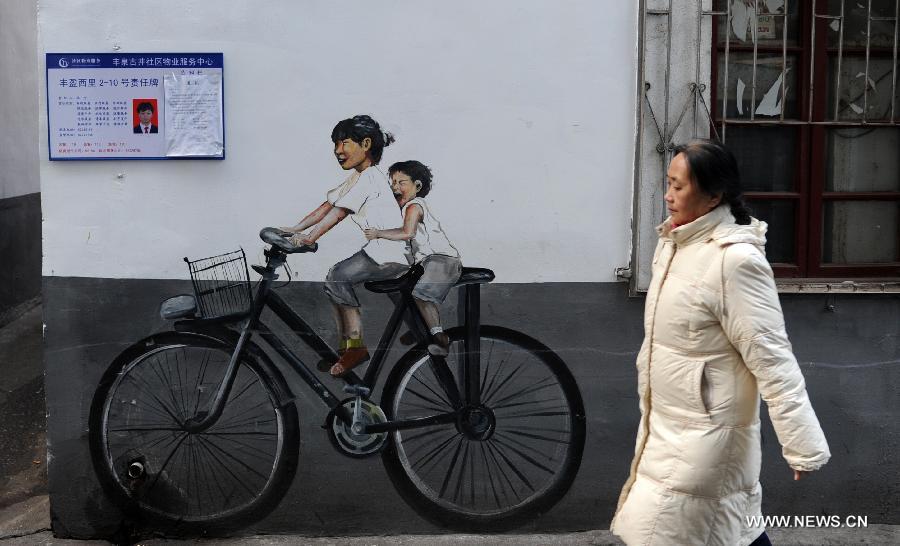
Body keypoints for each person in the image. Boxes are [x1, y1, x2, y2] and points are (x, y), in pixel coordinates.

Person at [610, 139, 830, 546]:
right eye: (668, 183)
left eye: (679, 186)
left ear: (714, 195)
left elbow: (772, 357)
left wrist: (802, 444)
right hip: (668, 424)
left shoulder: (735, 261)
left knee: (682, 528)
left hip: (709, 435)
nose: (668, 195)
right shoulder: (675, 243)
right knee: (726, 528)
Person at [280, 115, 407, 377]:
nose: (338, 151)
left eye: (344, 143)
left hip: (387, 252)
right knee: (337, 281)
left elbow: (338, 214)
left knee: (338, 277)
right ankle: (347, 347)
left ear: (366, 144)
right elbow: (327, 206)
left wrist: (310, 239)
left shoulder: (370, 178)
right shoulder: (356, 178)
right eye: (335, 144)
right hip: (383, 251)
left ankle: (355, 347)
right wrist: (296, 229)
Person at [363, 160, 462, 355]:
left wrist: (379, 233)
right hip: (427, 262)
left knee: (421, 295)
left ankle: (439, 337)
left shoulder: (414, 206)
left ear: (417, 186)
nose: (395, 188)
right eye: (392, 183)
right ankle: (422, 329)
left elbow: (407, 233)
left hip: (441, 260)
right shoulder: (407, 207)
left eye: (401, 183)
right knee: (403, 289)